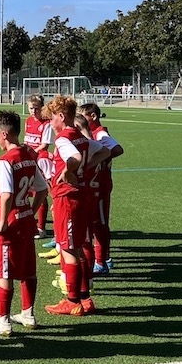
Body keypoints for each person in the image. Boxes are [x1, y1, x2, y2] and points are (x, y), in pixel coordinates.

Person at [0, 110, 48, 336]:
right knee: (28, 269)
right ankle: (28, 314)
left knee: (4, 272)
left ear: (4, 134)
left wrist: (1, 222)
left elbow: (6, 194)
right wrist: (30, 212)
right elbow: (42, 189)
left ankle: (3, 321)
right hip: (26, 220)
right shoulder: (28, 155)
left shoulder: (5, 160)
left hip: (9, 224)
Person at [41, 95, 109, 317]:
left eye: (52, 118)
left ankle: (72, 301)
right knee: (78, 248)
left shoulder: (63, 139)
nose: (50, 123)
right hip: (83, 196)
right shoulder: (80, 136)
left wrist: (69, 171)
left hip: (68, 198)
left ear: (61, 117)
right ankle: (85, 298)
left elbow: (75, 157)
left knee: (68, 249)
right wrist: (85, 167)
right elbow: (105, 151)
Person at [77, 103, 124, 274]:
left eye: (83, 115)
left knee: (100, 224)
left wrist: (98, 160)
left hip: (100, 185)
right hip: (92, 184)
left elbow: (117, 149)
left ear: (93, 116)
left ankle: (101, 261)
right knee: (93, 223)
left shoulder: (100, 133)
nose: (80, 119)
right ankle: (104, 258)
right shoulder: (89, 134)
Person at [25, 94, 55, 240]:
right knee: (26, 193)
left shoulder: (47, 123)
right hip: (29, 160)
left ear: (42, 108)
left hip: (40, 161)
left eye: (36, 108)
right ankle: (29, 224)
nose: (33, 111)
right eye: (31, 108)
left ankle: (41, 228)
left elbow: (44, 145)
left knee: (41, 193)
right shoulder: (28, 121)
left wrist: (32, 153)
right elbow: (27, 141)